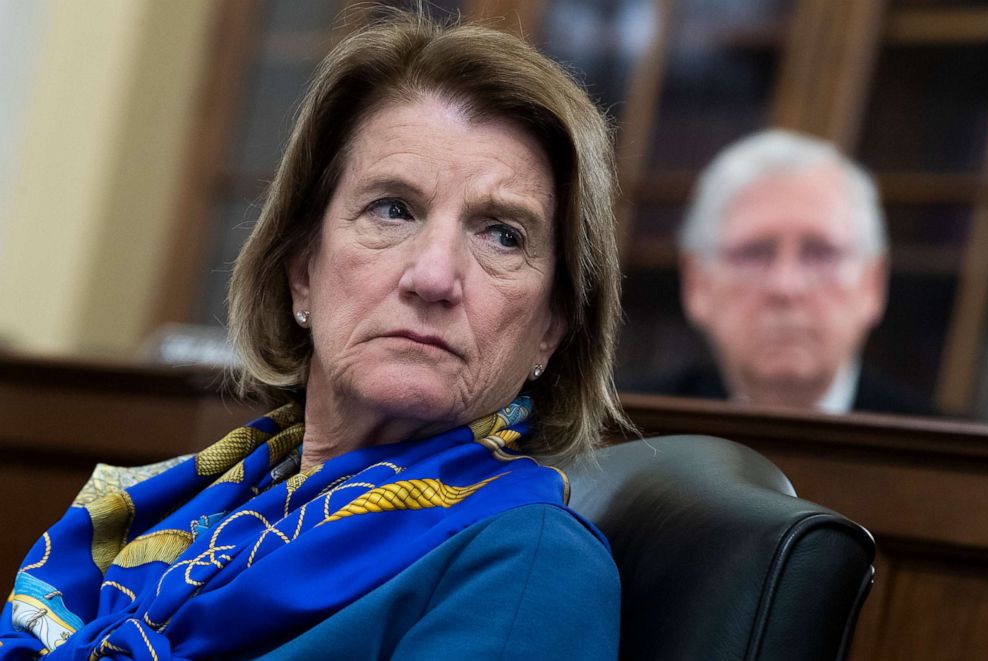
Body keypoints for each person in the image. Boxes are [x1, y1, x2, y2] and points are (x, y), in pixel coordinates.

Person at [1, 10, 629, 659]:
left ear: (552, 330)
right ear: (302, 273)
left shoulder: (530, 563)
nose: (434, 275)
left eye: (503, 234)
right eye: (393, 208)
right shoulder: (174, 514)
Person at [656, 129, 931, 414]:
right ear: (697, 284)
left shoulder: (945, 448)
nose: (785, 286)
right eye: (754, 254)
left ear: (872, 284)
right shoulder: (629, 437)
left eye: (820, 254)